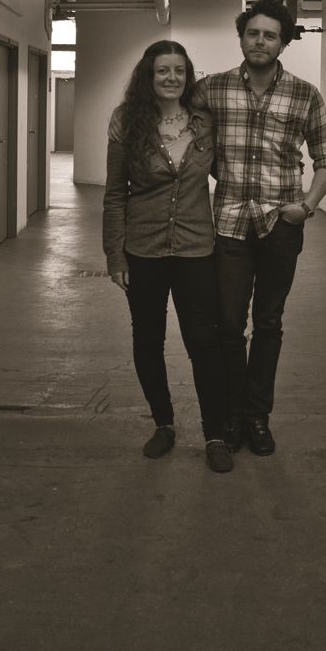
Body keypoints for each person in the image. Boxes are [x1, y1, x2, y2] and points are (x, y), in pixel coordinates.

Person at [192, 0, 326, 457]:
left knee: (270, 324)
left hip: (281, 223)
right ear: (241, 38)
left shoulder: (304, 94)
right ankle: (232, 416)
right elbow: (185, 138)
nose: (260, 41)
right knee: (229, 326)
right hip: (230, 223)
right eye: (253, 33)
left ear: (283, 43)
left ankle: (258, 417)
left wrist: (307, 206)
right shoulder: (210, 90)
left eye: (270, 35)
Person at [102, 40, 235, 474]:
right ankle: (163, 425)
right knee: (148, 340)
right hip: (143, 249)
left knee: (204, 343)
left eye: (179, 70)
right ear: (148, 75)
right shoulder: (127, 122)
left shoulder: (204, 124)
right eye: (163, 70)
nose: (171, 77)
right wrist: (114, 255)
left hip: (197, 248)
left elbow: (230, 175)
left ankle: (214, 433)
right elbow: (114, 194)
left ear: (188, 75)